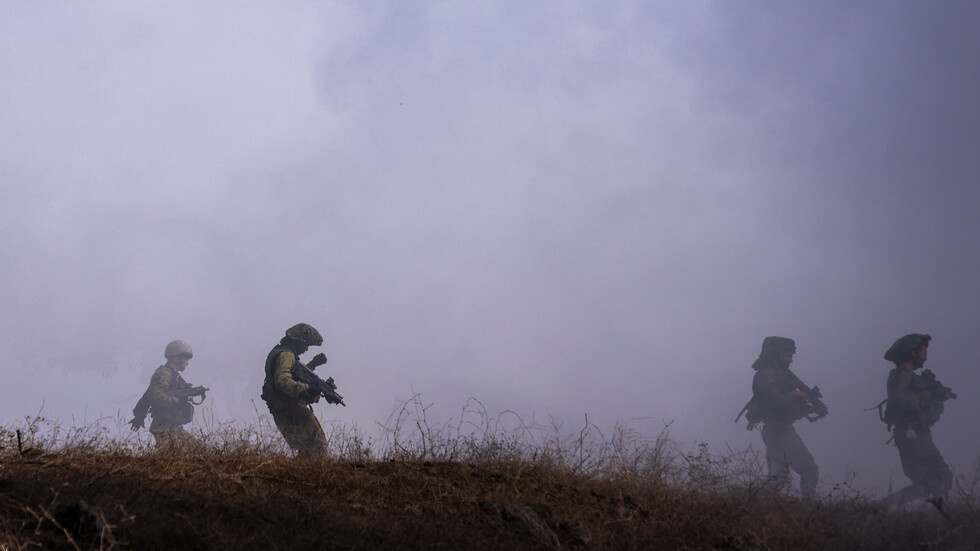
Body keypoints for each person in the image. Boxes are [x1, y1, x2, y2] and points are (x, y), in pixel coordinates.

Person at [880, 333, 954, 509]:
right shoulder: (902, 376)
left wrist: (937, 397)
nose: (925, 357)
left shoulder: (905, 376)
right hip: (913, 433)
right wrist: (930, 394)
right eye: (923, 352)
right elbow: (903, 400)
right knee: (940, 475)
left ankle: (880, 508)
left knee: (927, 483)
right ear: (913, 353)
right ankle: (944, 518)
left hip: (912, 433)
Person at [748, 336, 827, 500]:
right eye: (788, 355)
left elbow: (789, 408)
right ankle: (807, 511)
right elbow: (776, 402)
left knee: (778, 479)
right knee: (808, 470)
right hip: (777, 431)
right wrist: (795, 394)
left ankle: (750, 503)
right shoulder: (767, 375)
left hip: (781, 429)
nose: (791, 360)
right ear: (776, 354)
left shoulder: (781, 375)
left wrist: (813, 408)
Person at [261, 323, 330, 459]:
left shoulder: (284, 352)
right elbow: (282, 381)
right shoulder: (286, 355)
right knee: (317, 443)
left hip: (283, 408)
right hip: (289, 408)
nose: (306, 348)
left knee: (306, 450)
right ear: (297, 341)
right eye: (305, 344)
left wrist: (313, 365)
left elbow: (294, 375)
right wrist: (308, 387)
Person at [130, 340, 204, 447]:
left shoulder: (172, 376)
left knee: (200, 450)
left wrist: (139, 415)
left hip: (173, 427)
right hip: (164, 428)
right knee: (175, 459)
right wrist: (179, 401)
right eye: (185, 358)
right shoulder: (164, 373)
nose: (188, 362)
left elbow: (146, 397)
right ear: (175, 358)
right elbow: (156, 396)